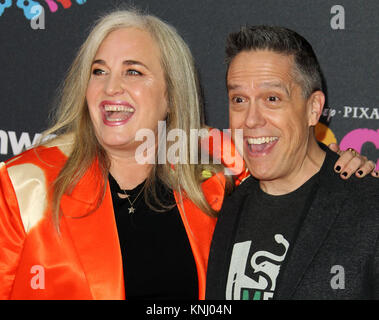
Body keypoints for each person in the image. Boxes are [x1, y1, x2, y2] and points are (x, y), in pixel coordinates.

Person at [0, 10, 374, 300]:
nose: (111, 87)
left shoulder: (211, 181)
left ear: (169, 95)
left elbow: (293, 161)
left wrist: (345, 166)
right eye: (98, 72)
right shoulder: (24, 185)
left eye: (133, 72)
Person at [206, 25, 379, 300]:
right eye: (239, 99)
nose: (250, 120)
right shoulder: (225, 205)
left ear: (313, 109)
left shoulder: (368, 207)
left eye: (272, 99)